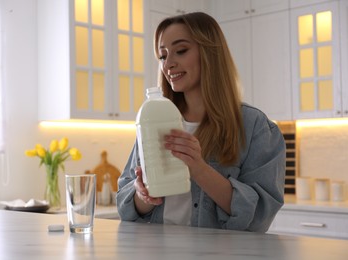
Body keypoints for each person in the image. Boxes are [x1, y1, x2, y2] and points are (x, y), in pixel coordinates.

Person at [116, 12, 285, 232]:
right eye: (162, 56)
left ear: (209, 53)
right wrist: (143, 195)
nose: (168, 64)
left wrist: (199, 168)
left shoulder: (255, 127)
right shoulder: (152, 121)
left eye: (181, 51)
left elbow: (260, 216)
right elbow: (125, 205)